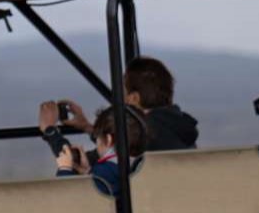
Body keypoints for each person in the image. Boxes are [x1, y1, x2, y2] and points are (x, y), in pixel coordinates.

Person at [47, 57, 196, 154]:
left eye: (122, 91)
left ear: (134, 98)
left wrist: (49, 130)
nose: (120, 97)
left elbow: (78, 162)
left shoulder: (145, 134)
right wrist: (87, 126)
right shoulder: (177, 127)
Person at [50, 106, 145, 195]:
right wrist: (88, 172)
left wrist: (65, 169)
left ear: (108, 139)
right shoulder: (140, 166)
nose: (96, 141)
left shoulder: (104, 171)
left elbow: (67, 197)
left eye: (97, 137)